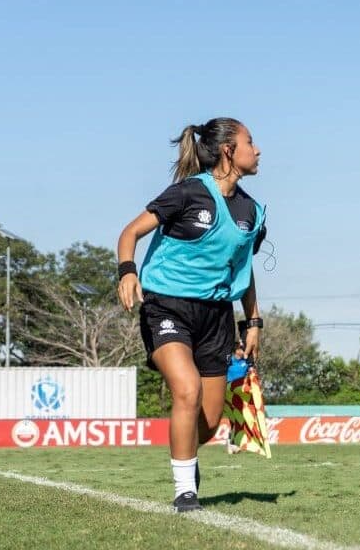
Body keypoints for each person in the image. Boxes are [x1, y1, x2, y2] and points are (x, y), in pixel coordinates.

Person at [116, 117, 267, 512]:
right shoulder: (186, 194)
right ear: (228, 150)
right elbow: (130, 233)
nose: (259, 149)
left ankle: (186, 457)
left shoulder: (250, 211)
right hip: (166, 306)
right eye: (251, 142)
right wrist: (128, 271)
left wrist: (252, 322)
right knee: (187, 390)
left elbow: (243, 270)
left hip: (216, 316)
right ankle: (185, 491)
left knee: (211, 420)